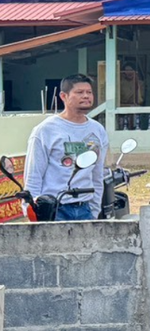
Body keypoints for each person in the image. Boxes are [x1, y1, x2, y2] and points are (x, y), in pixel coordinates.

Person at [23, 74, 107, 221]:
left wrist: (94, 210)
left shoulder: (97, 130)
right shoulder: (45, 130)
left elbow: (97, 174)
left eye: (89, 92)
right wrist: (32, 211)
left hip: (85, 209)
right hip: (54, 209)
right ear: (63, 96)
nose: (86, 96)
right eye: (79, 92)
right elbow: (33, 175)